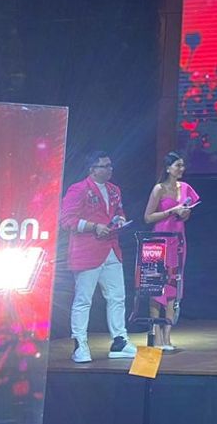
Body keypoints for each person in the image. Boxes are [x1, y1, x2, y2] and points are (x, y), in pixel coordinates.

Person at [60, 151, 138, 363]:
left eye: (110, 165)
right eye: (104, 166)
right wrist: (94, 227)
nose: (110, 169)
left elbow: (119, 211)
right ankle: (80, 344)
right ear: (92, 170)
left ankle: (119, 340)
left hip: (111, 249)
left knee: (117, 297)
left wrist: (120, 220)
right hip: (87, 251)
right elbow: (67, 220)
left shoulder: (114, 190)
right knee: (83, 300)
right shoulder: (78, 189)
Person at [143, 152, 200, 350]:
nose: (181, 169)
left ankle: (167, 337)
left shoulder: (185, 188)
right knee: (155, 287)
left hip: (178, 239)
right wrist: (171, 211)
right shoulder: (159, 188)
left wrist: (184, 213)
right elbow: (148, 217)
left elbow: (186, 215)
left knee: (173, 286)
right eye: (177, 165)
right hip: (158, 242)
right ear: (168, 168)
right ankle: (156, 336)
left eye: (182, 165)